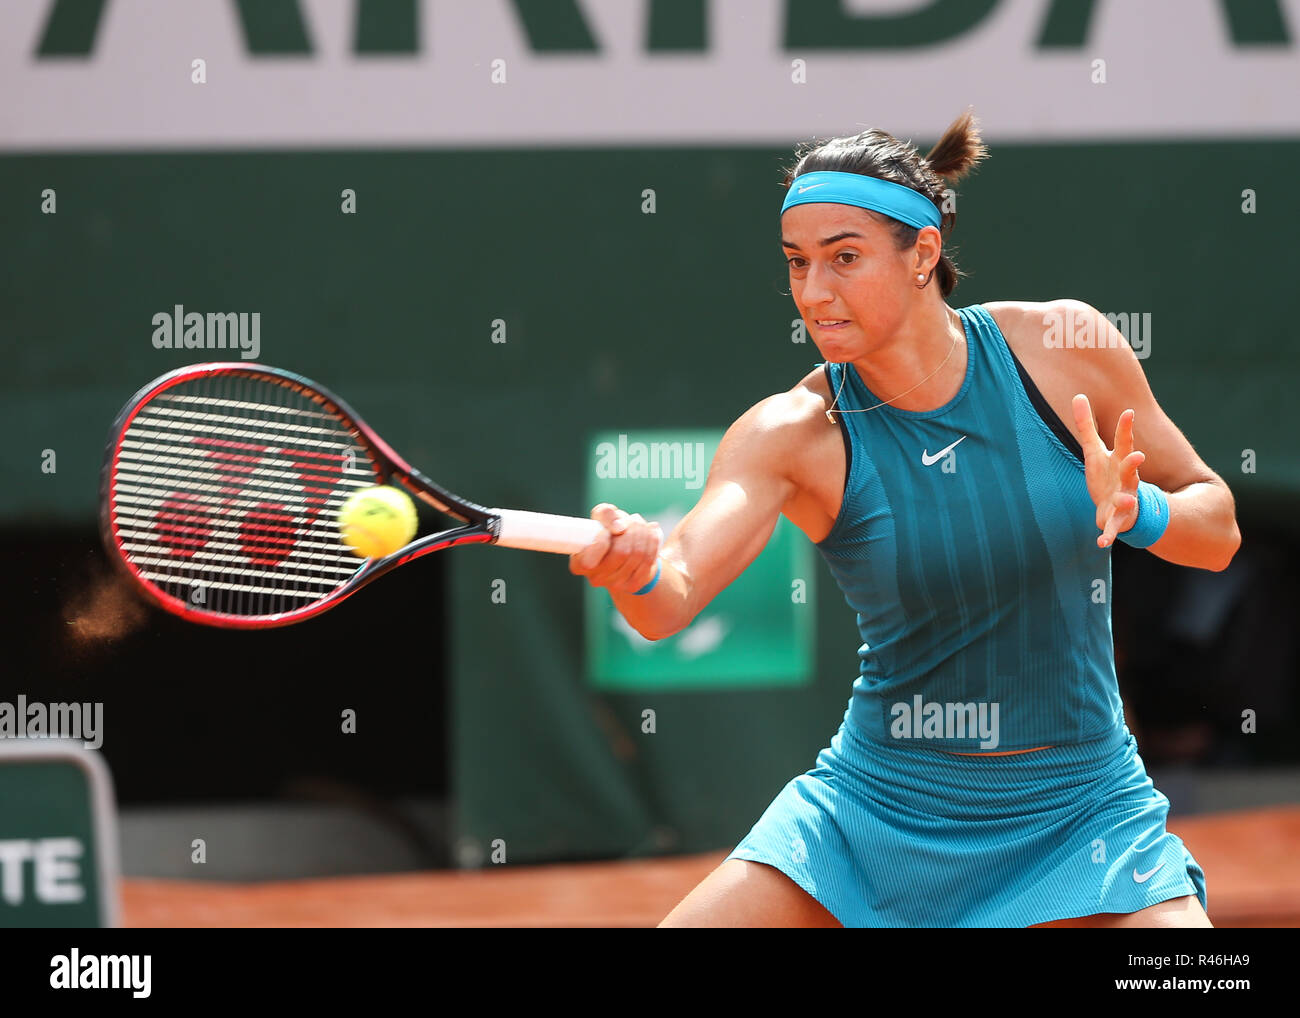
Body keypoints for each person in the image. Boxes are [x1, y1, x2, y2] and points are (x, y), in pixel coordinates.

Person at [569, 110, 1241, 928]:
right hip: (876, 812)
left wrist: (1143, 512)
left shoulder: (1063, 348)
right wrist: (632, 568)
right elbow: (668, 596)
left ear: (923, 253)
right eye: (798, 264)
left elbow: (1219, 530)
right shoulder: (791, 434)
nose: (815, 292)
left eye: (844, 258)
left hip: (1082, 812)